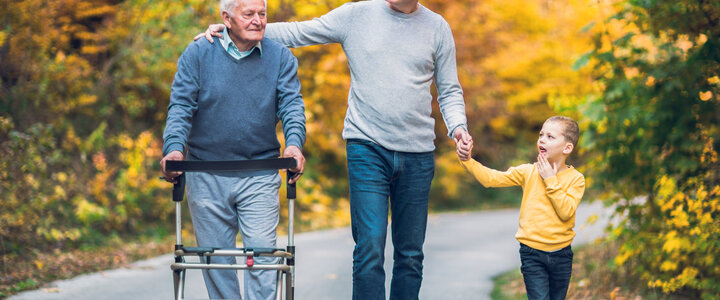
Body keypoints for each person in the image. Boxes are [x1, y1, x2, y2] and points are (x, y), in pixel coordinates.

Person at [194, 0, 471, 299]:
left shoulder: (437, 27)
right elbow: (298, 32)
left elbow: (449, 89)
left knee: (410, 254)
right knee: (369, 248)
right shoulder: (356, 15)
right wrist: (234, 29)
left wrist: (458, 127)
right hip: (367, 147)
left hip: (418, 154)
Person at [160, 0, 306, 299]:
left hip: (260, 173)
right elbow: (181, 106)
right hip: (206, 173)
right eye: (249, 14)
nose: (258, 21)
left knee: (264, 259)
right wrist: (174, 149)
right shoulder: (198, 53)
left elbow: (292, 106)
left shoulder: (281, 57)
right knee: (216, 261)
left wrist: (293, 143)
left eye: (262, 14)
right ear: (226, 18)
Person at [456, 116, 585, 300]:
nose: (542, 139)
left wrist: (550, 179)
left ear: (567, 148)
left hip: (561, 254)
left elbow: (566, 212)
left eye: (550, 136)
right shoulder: (528, 172)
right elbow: (491, 179)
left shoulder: (576, 179)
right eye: (541, 134)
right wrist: (468, 160)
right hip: (532, 252)